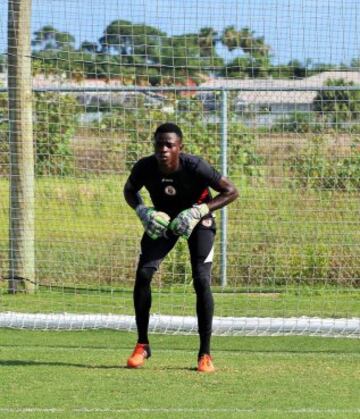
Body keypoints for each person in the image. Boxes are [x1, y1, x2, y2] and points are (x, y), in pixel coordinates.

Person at [123, 122, 238, 372]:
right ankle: (142, 344)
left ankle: (204, 354)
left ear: (179, 147)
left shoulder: (196, 166)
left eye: (169, 145)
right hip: (163, 221)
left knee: (201, 280)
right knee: (143, 274)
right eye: (158, 144)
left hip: (198, 220)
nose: (163, 149)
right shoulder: (145, 166)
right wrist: (142, 210)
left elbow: (231, 191)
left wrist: (201, 210)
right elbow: (130, 190)